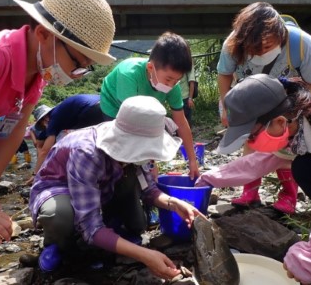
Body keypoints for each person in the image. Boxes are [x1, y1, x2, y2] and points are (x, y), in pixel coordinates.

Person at [0, 0, 115, 283]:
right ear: (44, 34)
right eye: (77, 64)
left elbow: (14, 129)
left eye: (84, 69)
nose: (74, 75)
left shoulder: (35, 75)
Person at [196, 74, 311, 284]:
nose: (252, 144)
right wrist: (208, 179)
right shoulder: (294, 135)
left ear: (280, 121)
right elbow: (256, 163)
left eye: (251, 137)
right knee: (305, 168)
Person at [29, 96, 203, 279]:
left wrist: (175, 204)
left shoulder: (136, 149)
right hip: (59, 187)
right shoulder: (86, 152)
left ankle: (110, 228)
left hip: (101, 184)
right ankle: (56, 244)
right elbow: (91, 227)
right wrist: (145, 256)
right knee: (60, 217)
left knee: (137, 225)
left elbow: (149, 190)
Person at [216, 2, 311, 213]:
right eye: (253, 49)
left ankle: (288, 196)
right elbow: (224, 74)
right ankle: (250, 190)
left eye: (266, 47)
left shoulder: (302, 43)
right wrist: (226, 106)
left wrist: (291, 110)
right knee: (251, 139)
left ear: (280, 35)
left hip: (288, 101)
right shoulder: (233, 43)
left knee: (285, 144)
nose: (260, 53)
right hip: (251, 96)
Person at [100, 32, 200, 179]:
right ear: (150, 67)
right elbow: (134, 123)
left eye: (176, 80)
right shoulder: (129, 74)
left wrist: (192, 160)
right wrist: (151, 163)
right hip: (114, 105)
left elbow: (181, 122)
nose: (171, 85)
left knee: (142, 164)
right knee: (117, 153)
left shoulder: (173, 86)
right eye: (168, 79)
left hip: (141, 110)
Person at [26, 94, 103, 185]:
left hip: (92, 109)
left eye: (41, 123)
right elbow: (41, 142)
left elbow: (44, 151)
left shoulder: (53, 119)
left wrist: (35, 174)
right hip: (105, 102)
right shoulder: (60, 113)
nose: (43, 125)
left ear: (45, 118)